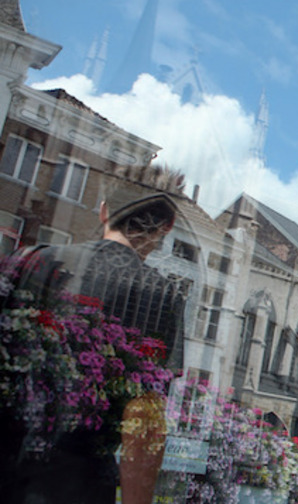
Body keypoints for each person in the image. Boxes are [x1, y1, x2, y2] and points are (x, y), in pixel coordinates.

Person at [0, 165, 188, 504]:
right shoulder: (163, 297)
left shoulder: (35, 260)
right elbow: (145, 419)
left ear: (104, 210)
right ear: (167, 226)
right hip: (83, 481)